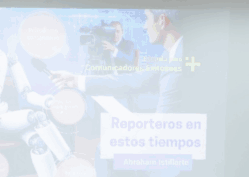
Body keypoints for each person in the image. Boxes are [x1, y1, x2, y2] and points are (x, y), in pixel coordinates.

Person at [52, 9, 184, 113]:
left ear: (161, 21)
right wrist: (77, 80)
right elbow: (136, 80)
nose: (144, 26)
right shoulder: (168, 55)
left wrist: (114, 50)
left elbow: (133, 68)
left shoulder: (180, 56)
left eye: (147, 18)